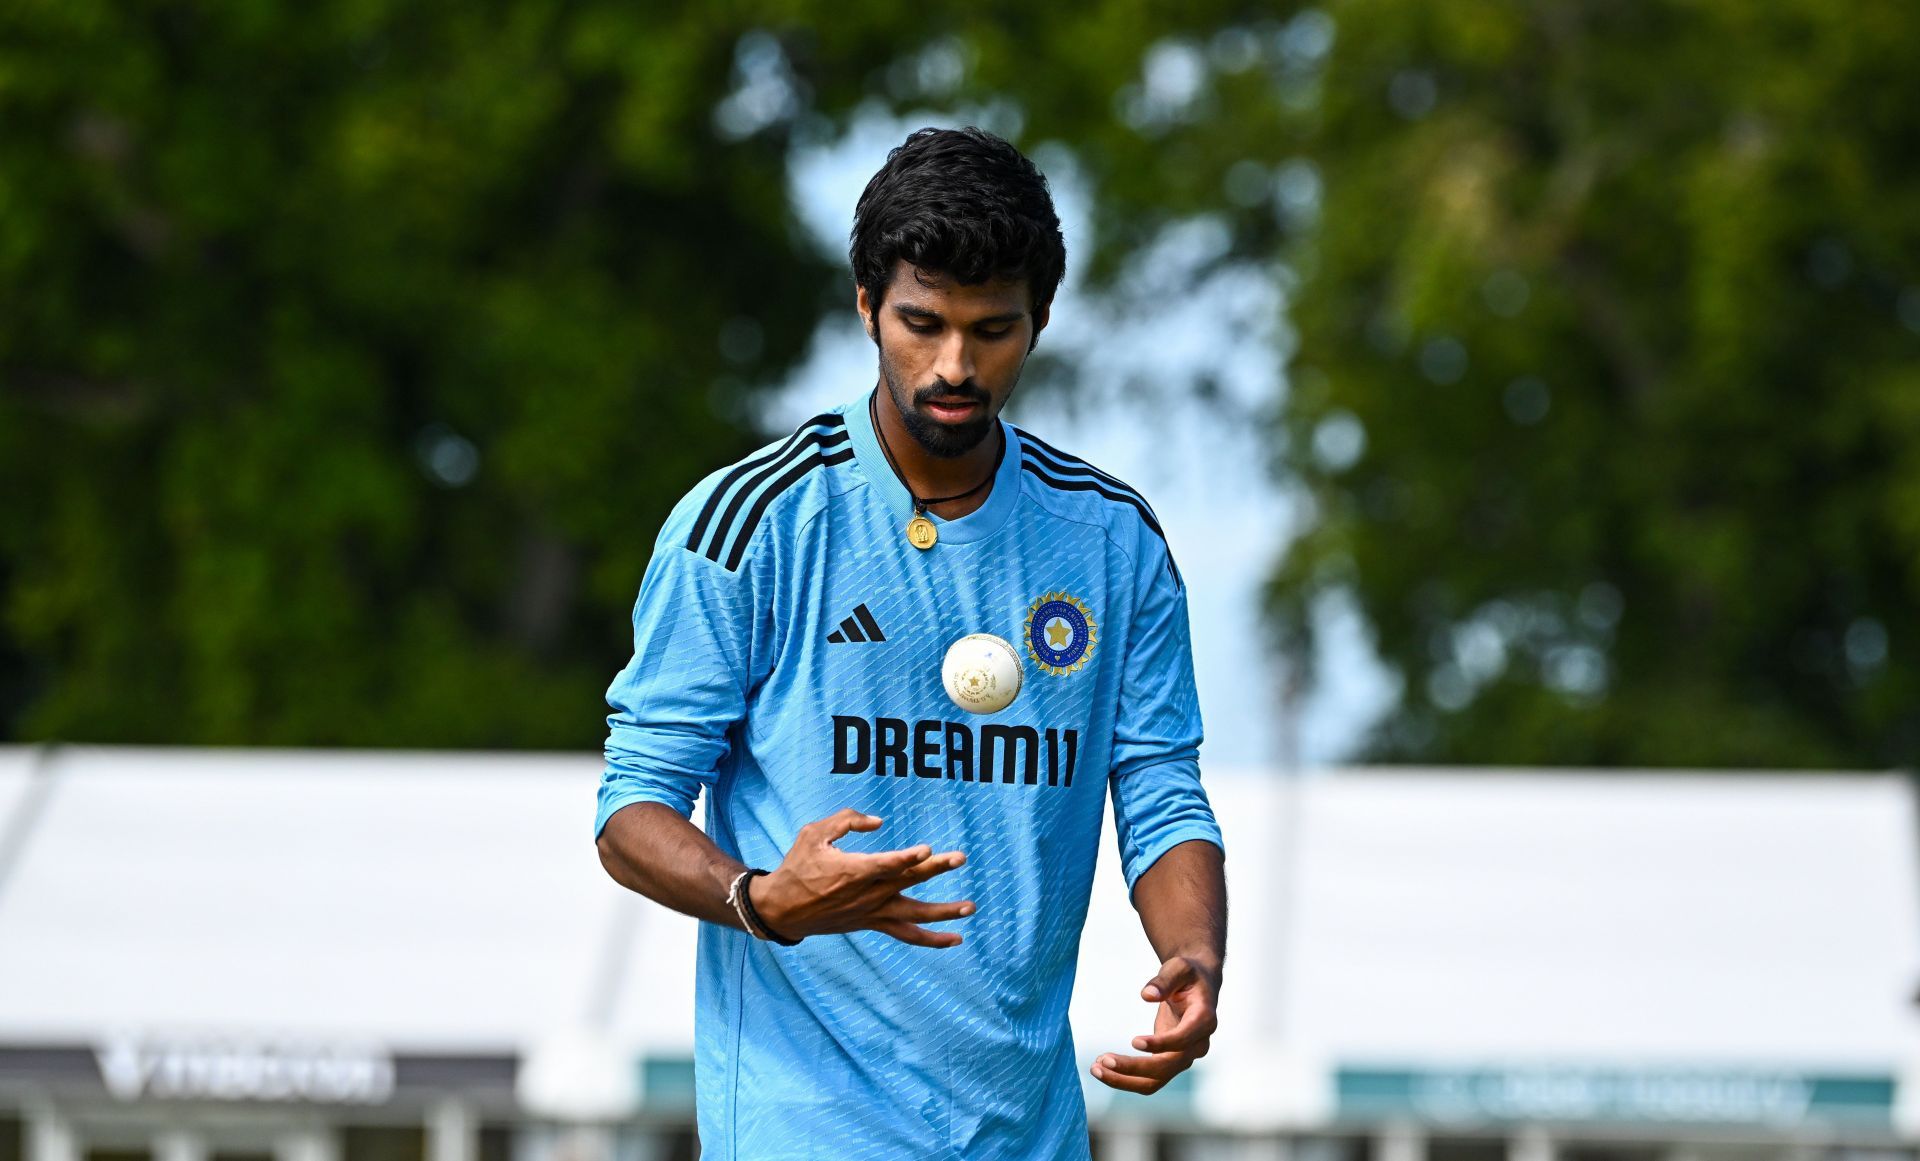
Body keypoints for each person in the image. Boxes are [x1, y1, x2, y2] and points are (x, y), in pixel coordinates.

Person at [593, 126, 1226, 1160]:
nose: (954, 366)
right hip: (808, 1127)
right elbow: (630, 812)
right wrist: (763, 899)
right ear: (865, 306)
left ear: (1042, 319)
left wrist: (1193, 955)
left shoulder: (1112, 541)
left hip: (1028, 1132)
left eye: (993, 331)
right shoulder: (751, 525)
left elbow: (1159, 788)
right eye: (921, 324)